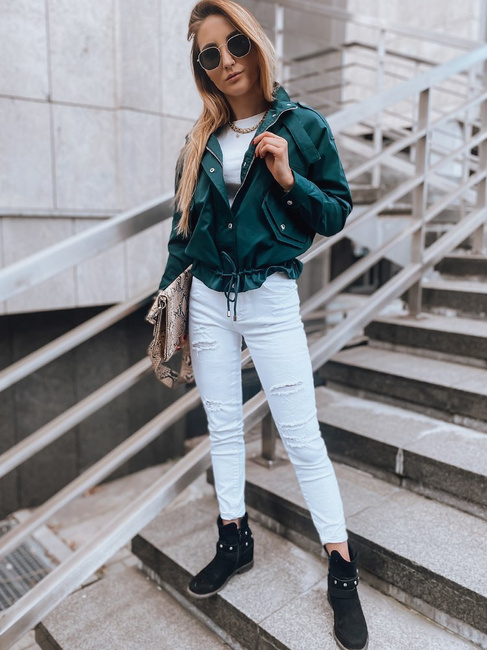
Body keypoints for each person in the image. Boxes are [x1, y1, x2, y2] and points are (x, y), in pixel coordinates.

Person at [157, 1, 368, 648]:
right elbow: (182, 233)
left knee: (301, 435)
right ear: (201, 68)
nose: (226, 62)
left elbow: (334, 213)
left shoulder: (302, 126)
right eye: (209, 55)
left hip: (271, 298)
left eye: (235, 45)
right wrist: (169, 307)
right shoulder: (197, 141)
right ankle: (233, 537)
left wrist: (287, 178)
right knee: (223, 427)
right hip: (207, 301)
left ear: (256, 43)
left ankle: (341, 566)